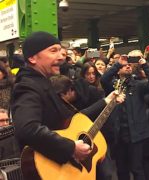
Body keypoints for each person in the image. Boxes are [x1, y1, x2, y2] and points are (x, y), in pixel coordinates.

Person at [10, 31, 122, 178]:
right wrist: (71, 148)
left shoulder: (42, 83)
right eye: (53, 51)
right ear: (32, 58)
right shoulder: (27, 87)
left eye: (61, 50)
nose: (61, 55)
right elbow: (27, 128)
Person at [101, 50, 149, 180]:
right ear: (118, 70)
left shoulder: (138, 85)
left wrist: (144, 64)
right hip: (119, 135)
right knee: (122, 170)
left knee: (137, 168)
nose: (127, 66)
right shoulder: (114, 86)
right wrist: (117, 63)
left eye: (129, 65)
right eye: (124, 65)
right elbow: (104, 79)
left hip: (136, 135)